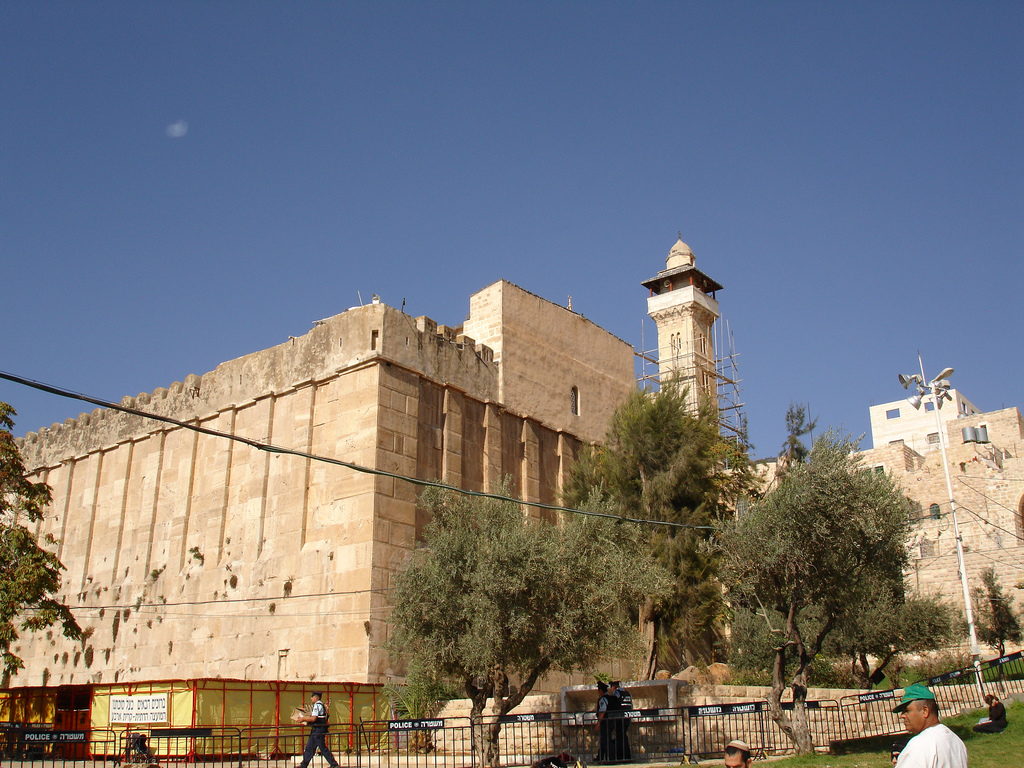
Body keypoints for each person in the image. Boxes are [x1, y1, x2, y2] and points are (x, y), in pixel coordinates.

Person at [891, 682, 968, 768]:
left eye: (907, 710)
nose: (902, 715)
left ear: (925, 711)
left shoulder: (920, 744)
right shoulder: (956, 741)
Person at [293, 691, 340, 768]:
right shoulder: (320, 705)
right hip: (316, 729)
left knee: (322, 747)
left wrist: (303, 719)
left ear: (316, 698)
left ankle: (334, 764)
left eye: (312, 697)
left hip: (319, 729)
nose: (311, 698)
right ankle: (303, 765)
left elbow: (313, 718)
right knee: (309, 747)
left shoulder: (317, 705)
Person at [608, 681, 632, 761]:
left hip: (619, 717)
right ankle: (626, 755)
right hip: (627, 717)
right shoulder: (627, 692)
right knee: (623, 735)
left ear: (613, 687)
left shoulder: (616, 692)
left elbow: (613, 703)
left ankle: (623, 756)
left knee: (620, 736)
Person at [594, 681, 613, 762]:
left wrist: (598, 723)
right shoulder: (612, 698)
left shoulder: (603, 699)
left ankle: (611, 758)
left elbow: (602, 711)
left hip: (605, 722)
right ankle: (600, 757)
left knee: (606, 740)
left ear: (600, 691)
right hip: (613, 721)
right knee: (603, 740)